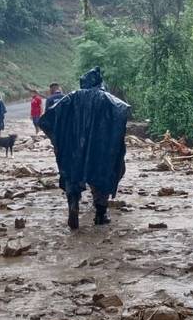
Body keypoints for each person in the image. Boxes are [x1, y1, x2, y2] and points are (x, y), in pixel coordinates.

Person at [39, 67, 130, 229]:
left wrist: (58, 140)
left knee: (72, 177)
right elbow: (123, 110)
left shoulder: (71, 98)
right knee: (102, 177)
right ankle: (100, 214)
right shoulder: (106, 99)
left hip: (73, 149)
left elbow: (46, 120)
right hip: (100, 148)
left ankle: (73, 204)